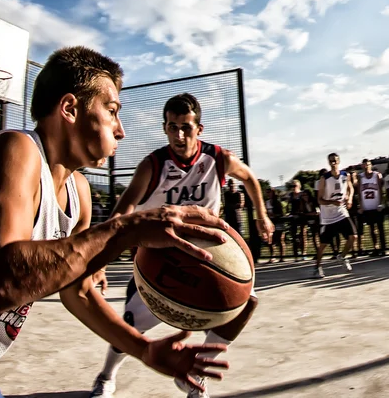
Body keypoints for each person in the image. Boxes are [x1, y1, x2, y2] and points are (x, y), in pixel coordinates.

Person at [0, 47, 230, 398]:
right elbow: (3, 286)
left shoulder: (79, 192)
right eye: (111, 111)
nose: (120, 130)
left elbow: (76, 291)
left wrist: (144, 349)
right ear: (70, 109)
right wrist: (128, 229)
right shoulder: (15, 150)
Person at [90, 92, 274, 398]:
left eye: (186, 127)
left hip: (209, 256)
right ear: (164, 128)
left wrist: (262, 216)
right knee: (132, 326)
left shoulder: (218, 158)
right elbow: (122, 212)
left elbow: (249, 178)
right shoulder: (153, 165)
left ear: (198, 129)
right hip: (160, 258)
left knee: (244, 302)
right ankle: (106, 376)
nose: (179, 134)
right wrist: (101, 260)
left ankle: (193, 375)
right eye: (172, 126)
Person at [314, 153, 356, 278]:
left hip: (341, 212)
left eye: (335, 160)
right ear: (328, 162)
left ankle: (342, 256)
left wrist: (350, 198)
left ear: (339, 161)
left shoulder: (345, 175)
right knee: (323, 245)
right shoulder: (324, 179)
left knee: (353, 236)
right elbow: (320, 200)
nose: (333, 163)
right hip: (328, 216)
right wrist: (332, 202)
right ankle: (317, 267)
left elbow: (351, 188)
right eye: (331, 161)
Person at [357, 159, 385, 256]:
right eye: (364, 165)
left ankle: (383, 248)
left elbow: (381, 190)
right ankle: (375, 247)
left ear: (371, 165)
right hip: (367, 206)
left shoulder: (376, 175)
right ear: (362, 166)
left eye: (367, 165)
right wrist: (361, 205)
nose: (366, 167)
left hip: (376, 205)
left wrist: (381, 203)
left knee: (380, 228)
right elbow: (359, 192)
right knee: (372, 229)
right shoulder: (360, 177)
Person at [264, 188, 286, 262]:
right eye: (267, 192)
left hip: (278, 222)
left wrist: (274, 215)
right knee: (270, 240)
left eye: (269, 192)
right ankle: (272, 256)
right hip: (270, 223)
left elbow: (281, 213)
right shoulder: (266, 202)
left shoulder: (277, 202)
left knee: (280, 239)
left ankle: (282, 256)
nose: (268, 194)